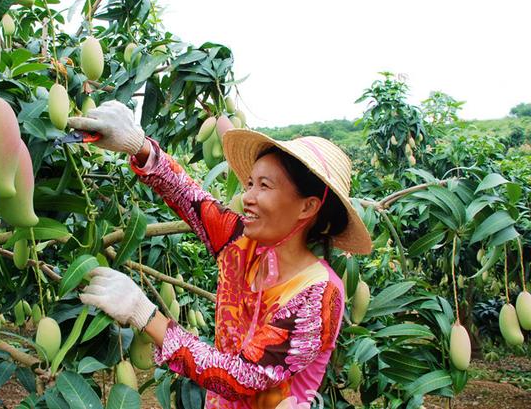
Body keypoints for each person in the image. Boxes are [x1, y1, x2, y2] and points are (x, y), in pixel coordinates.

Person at [69, 101, 372, 408]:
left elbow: (242, 378)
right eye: (249, 183)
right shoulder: (240, 243)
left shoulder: (319, 295)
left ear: (307, 206)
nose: (247, 197)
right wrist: (139, 145)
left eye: (264, 186)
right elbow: (191, 198)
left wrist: (144, 314)